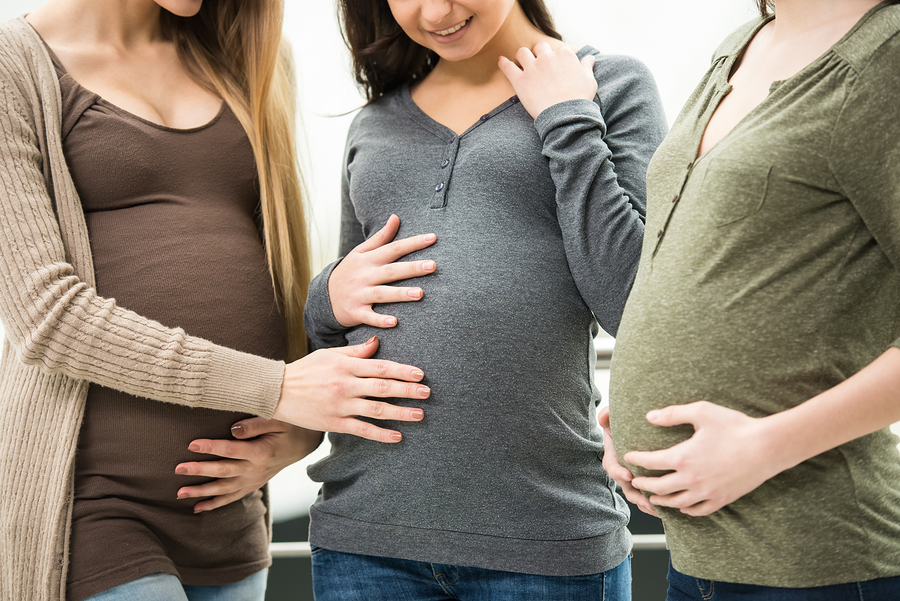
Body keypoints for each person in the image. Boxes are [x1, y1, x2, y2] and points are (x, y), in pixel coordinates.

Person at [0, 0, 436, 599]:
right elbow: (47, 316)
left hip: (229, 507)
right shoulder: (14, 64)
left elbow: (279, 259)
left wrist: (295, 433)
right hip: (92, 499)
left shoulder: (250, 55)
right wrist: (278, 388)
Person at [302, 0, 668, 598]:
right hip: (365, 535)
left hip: (547, 537)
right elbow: (334, 335)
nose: (437, 11)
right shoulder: (373, 123)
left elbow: (632, 301)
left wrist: (566, 118)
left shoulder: (609, 84)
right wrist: (325, 298)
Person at [600, 0, 900, 598]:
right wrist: (633, 432)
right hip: (701, 557)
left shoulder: (885, 58)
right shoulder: (746, 41)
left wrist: (766, 446)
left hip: (817, 562)